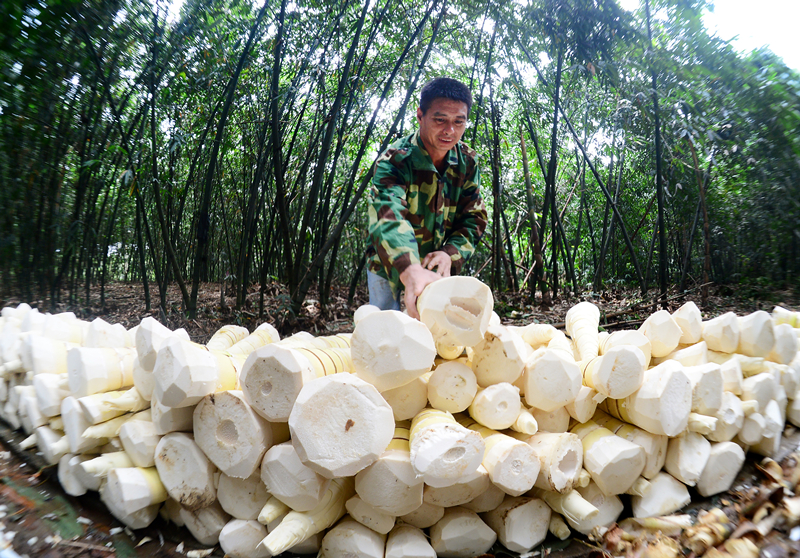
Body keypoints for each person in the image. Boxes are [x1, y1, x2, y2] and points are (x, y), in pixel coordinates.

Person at [366, 77, 488, 319]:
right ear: (420, 115)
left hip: (437, 261)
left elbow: (474, 217)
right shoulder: (394, 161)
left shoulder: (468, 162)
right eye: (440, 120)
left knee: (436, 329)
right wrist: (409, 268)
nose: (449, 131)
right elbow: (388, 216)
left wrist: (449, 253)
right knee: (382, 328)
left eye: (458, 122)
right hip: (391, 257)